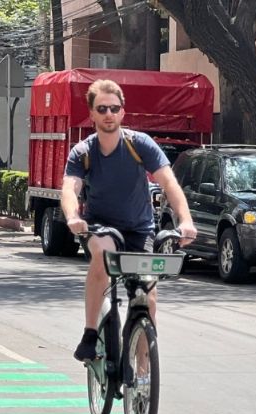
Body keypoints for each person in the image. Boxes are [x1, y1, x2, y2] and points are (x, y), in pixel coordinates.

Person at [61, 79, 197, 362]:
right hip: (101, 227)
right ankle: (89, 333)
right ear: (92, 114)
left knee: (148, 297)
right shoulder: (83, 152)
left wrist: (185, 221)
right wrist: (73, 217)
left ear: (123, 112)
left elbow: (169, 183)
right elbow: (70, 189)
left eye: (114, 108)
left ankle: (144, 369)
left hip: (140, 230)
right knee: (103, 253)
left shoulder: (140, 144)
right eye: (102, 109)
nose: (109, 114)